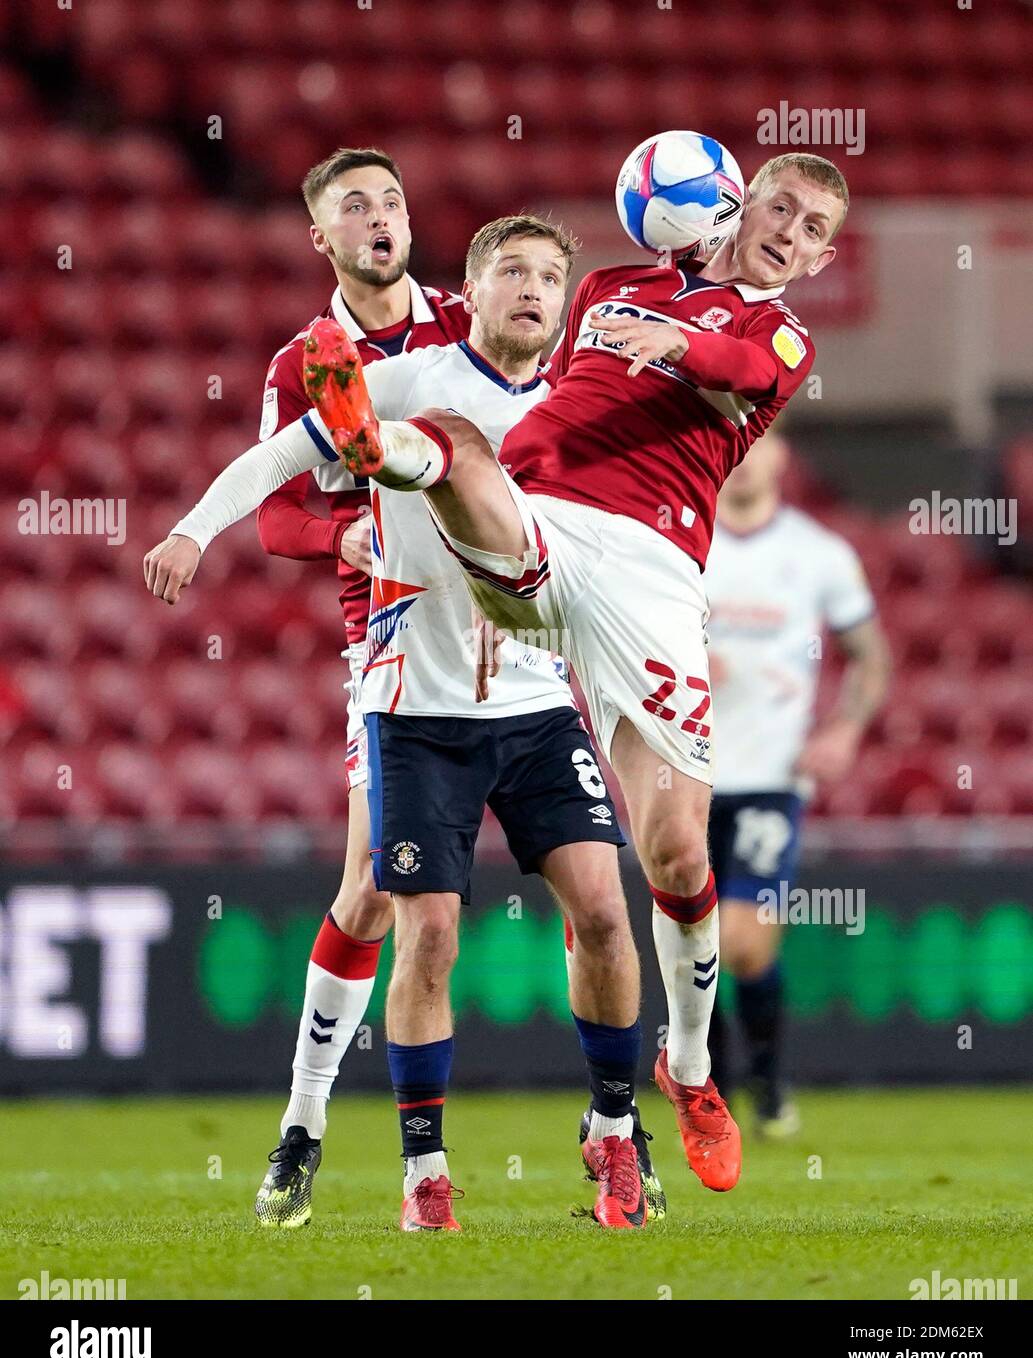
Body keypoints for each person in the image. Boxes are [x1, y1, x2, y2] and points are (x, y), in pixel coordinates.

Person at [302, 150, 853, 1193]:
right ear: (742, 198)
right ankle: (373, 450)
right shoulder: (609, 285)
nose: (791, 230)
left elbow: (733, 372)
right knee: (458, 444)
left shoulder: (775, 333)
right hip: (545, 531)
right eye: (781, 204)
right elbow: (524, 368)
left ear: (820, 257)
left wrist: (679, 340)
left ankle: (686, 1066)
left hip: (649, 576)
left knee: (676, 852)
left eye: (814, 228)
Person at [144, 216, 667, 1231]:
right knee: (425, 930)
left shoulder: (578, 407)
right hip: (414, 709)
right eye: (511, 270)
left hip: (534, 700)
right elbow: (274, 467)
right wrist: (189, 529)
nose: (533, 288)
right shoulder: (408, 379)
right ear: (470, 291)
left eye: (550, 276)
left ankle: (611, 1126)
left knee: (605, 909)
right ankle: (421, 1168)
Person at [144, 145, 469, 1225]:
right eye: (353, 208)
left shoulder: (474, 320)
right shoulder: (310, 361)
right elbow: (283, 511)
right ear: (320, 240)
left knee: (589, 878)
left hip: (516, 630)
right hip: (392, 635)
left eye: (391, 197)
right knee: (375, 889)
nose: (379, 216)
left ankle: (616, 1121)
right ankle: (304, 1124)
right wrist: (365, 525)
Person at [703, 431, 890, 1134]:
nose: (748, 456)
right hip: (683, 774)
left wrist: (841, 729)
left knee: (743, 941)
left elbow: (869, 657)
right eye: (736, 442)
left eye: (762, 443)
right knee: (694, 947)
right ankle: (712, 1095)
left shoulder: (818, 554)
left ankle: (768, 1077)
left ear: (782, 458)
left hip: (771, 779)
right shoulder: (683, 542)